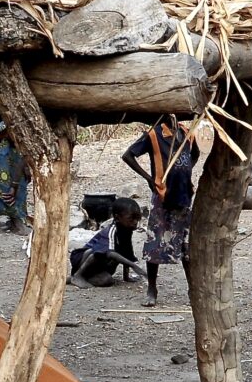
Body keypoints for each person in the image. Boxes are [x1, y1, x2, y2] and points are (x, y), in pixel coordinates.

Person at [124, 117, 200, 307]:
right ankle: (152, 288)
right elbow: (128, 155)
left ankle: (193, 289)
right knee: (155, 243)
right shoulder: (154, 135)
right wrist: (149, 179)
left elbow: (195, 154)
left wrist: (185, 170)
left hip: (184, 195)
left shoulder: (186, 133)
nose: (172, 115)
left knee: (186, 245)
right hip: (163, 196)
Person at [69, 198, 144, 287]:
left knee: (107, 280)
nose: (135, 222)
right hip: (83, 260)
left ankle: (77, 278)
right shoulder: (111, 231)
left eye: (137, 218)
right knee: (97, 252)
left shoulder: (127, 231)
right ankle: (78, 275)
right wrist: (133, 266)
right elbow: (110, 253)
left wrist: (126, 277)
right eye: (131, 219)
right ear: (117, 218)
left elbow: (127, 253)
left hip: (97, 268)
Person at [0, 121, 30, 232]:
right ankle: (14, 218)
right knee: (3, 177)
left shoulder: (39, 128)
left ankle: (19, 216)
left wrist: (26, 166)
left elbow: (25, 155)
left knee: (22, 178)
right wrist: (13, 186)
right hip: (0, 133)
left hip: (20, 133)